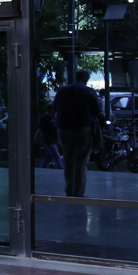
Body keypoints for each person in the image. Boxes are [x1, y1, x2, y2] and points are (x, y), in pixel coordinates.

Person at [53, 69, 102, 197]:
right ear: (86, 79)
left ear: (75, 77)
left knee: (68, 159)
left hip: (63, 128)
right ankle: (78, 191)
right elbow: (97, 110)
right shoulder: (88, 91)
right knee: (80, 160)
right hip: (82, 128)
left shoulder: (62, 91)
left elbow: (54, 108)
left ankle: (69, 189)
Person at [39, 102, 63, 169]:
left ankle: (43, 167)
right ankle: (61, 168)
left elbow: (57, 129)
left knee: (48, 156)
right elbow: (40, 129)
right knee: (57, 156)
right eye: (54, 109)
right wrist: (36, 139)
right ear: (50, 109)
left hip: (55, 140)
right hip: (49, 140)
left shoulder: (54, 117)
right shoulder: (44, 118)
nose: (56, 110)